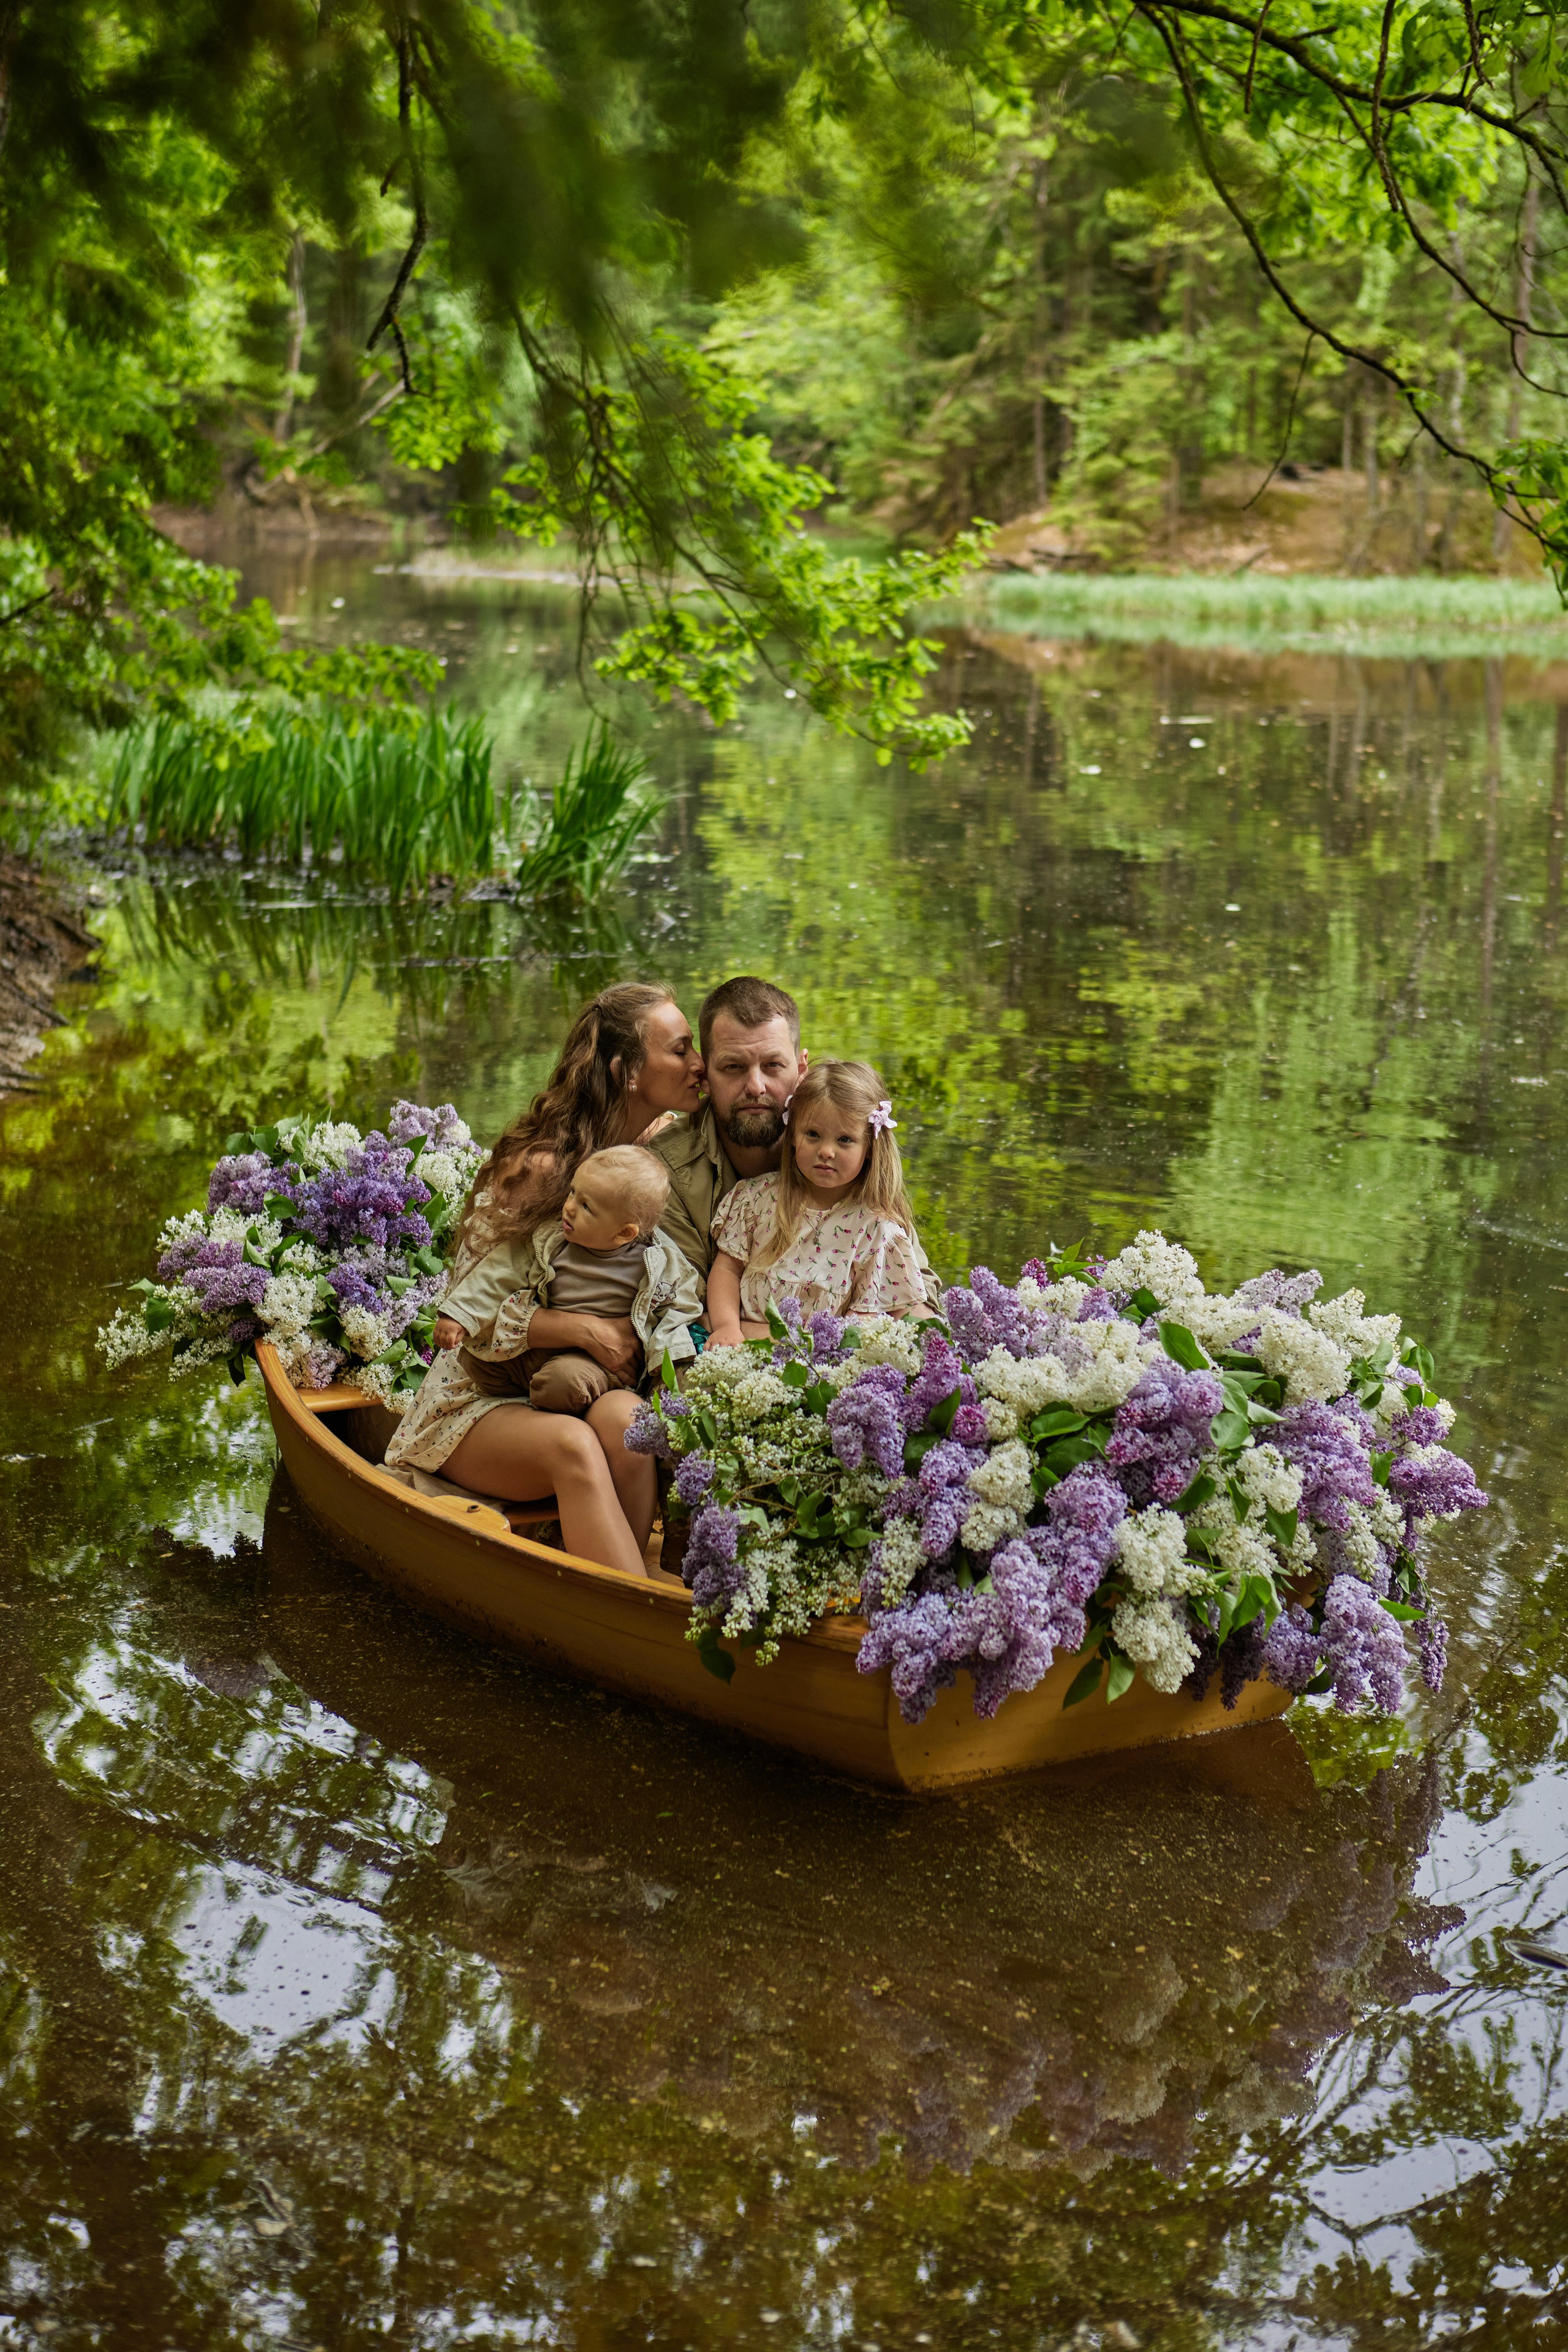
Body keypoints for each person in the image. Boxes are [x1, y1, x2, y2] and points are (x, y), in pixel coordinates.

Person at [384, 982, 703, 1574]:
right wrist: (581, 1330)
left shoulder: (651, 1157)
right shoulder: (543, 1168)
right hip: (479, 1397)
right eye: (681, 1050)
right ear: (626, 1071)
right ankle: (627, 1613)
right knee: (575, 1445)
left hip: (574, 1389)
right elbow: (469, 1319)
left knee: (632, 1426)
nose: (698, 1063)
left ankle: (623, 1584)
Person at [433, 1147, 704, 1413]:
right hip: (541, 1347)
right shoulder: (549, 1241)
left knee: (564, 1385)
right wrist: (460, 1315)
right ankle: (531, 1394)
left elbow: (681, 1308)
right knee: (475, 1360)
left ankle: (555, 1400)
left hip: (592, 1362)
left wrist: (661, 1355)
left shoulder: (655, 1264)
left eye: (587, 1207)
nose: (569, 1208)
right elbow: (497, 1273)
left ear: (624, 1233)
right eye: (573, 1192)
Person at [704, 1060, 929, 1341]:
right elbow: (726, 1269)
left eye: (845, 1140)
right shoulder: (755, 1201)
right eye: (813, 1134)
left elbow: (872, 1322)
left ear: (870, 1147)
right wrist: (726, 1326)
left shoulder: (877, 1231)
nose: (826, 1151)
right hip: (742, 1348)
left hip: (822, 1365)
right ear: (794, 1135)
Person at [644, 974, 805, 1278]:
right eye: (733, 1067)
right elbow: (689, 1308)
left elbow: (912, 1286)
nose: (756, 1087)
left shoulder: (848, 1139)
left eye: (773, 1065)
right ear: (704, 1076)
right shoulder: (665, 1173)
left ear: (802, 1067)